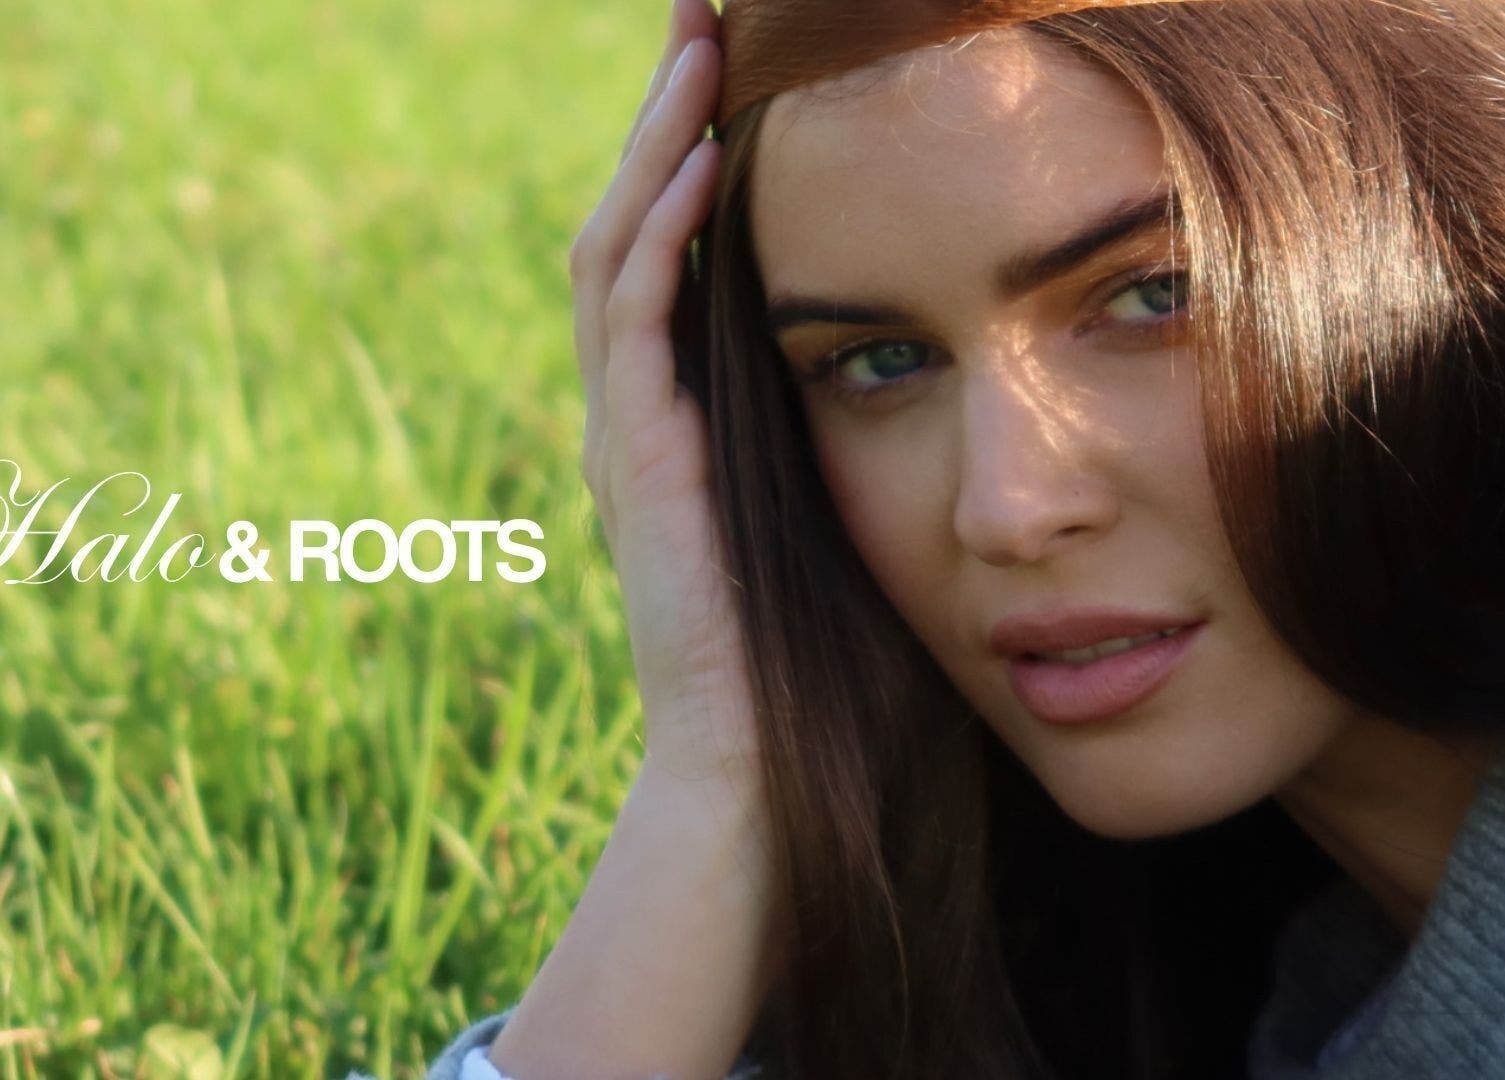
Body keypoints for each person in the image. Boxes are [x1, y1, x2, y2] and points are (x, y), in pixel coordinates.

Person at [347, 0, 1505, 1076]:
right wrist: (721, 783)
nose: (1004, 508)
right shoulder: (1223, 977)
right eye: (878, 362)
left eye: (1154, 296)